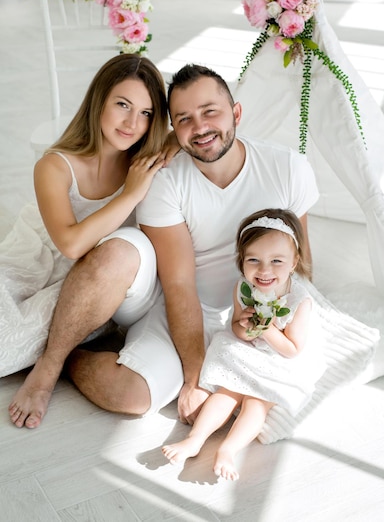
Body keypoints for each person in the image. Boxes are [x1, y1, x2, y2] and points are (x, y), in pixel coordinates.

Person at [61, 63, 319, 426]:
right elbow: (178, 284)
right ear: (173, 130)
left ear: (236, 113)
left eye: (210, 112)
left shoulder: (289, 167)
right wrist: (195, 378)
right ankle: (73, 355)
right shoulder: (165, 181)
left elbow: (301, 262)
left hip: (259, 311)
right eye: (184, 119)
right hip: (188, 311)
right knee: (130, 396)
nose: (199, 128)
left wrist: (279, 326)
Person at [5, 53, 176, 428]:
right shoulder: (55, 165)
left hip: (91, 283)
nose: (133, 123)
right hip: (34, 267)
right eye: (123, 105)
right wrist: (129, 195)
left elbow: (192, 130)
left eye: (147, 113)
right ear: (99, 100)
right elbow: (69, 245)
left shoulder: (146, 158)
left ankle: (50, 367)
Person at [162, 207, 325, 480]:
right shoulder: (244, 288)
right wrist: (246, 329)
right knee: (227, 392)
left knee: (255, 403)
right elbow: (236, 326)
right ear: (241, 261)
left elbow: (293, 349)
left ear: (294, 262)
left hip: (281, 359)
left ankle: (228, 450)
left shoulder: (300, 301)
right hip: (251, 348)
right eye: (253, 260)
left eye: (276, 261)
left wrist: (268, 329)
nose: (264, 270)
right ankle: (194, 440)